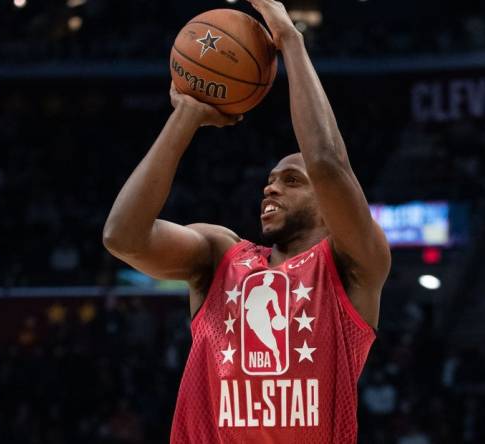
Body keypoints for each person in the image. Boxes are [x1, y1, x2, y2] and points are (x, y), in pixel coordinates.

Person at [102, 0, 390, 441]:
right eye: (269, 181)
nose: (270, 188)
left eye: (291, 180)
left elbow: (329, 164)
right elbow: (123, 236)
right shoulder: (220, 255)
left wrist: (291, 40)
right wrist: (186, 117)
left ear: (330, 205)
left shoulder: (352, 266)